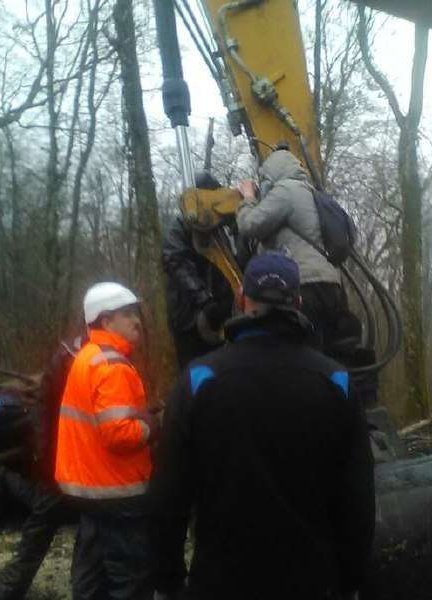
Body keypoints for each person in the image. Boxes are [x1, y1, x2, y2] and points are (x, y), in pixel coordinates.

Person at [147, 251, 375, 600]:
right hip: (311, 584)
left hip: (220, 583)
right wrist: (351, 580)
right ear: (298, 302)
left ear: (241, 298)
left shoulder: (198, 379)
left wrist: (167, 580)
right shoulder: (337, 382)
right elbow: (357, 498)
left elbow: (168, 493)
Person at [54, 282, 160, 599]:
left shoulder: (86, 357)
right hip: (118, 493)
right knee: (131, 580)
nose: (137, 320)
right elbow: (118, 434)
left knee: (90, 576)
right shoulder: (113, 366)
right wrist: (153, 428)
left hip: (87, 489)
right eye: (127, 314)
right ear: (105, 320)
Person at [0, 333, 86, 600]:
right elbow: (44, 408)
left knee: (88, 541)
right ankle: (7, 592)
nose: (134, 320)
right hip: (59, 465)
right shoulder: (69, 357)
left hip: (87, 469)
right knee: (37, 536)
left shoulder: (105, 358)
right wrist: (45, 457)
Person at [236, 149, 352, 356]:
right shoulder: (311, 193)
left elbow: (248, 225)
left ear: (271, 173)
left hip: (307, 287)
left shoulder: (286, 190)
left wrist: (248, 198)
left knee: (303, 358)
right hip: (333, 287)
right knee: (332, 359)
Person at [163, 171, 235, 368]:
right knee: (196, 376)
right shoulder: (181, 226)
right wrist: (204, 300)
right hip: (192, 320)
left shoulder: (218, 228)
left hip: (219, 317)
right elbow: (175, 262)